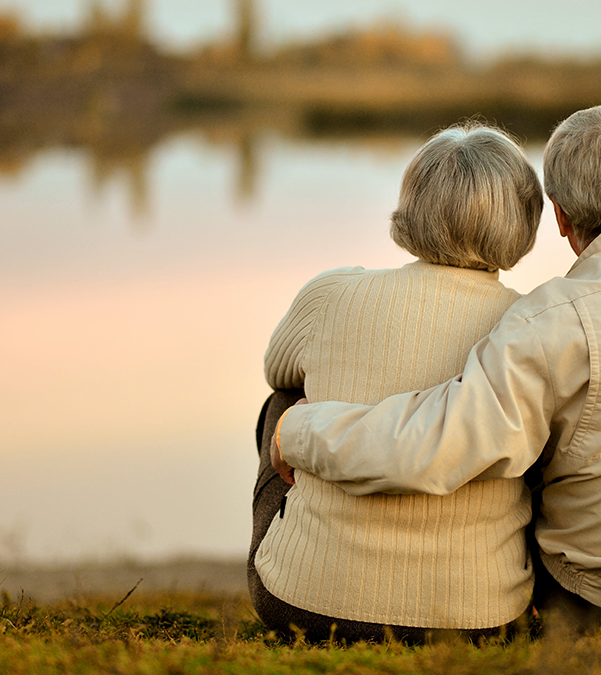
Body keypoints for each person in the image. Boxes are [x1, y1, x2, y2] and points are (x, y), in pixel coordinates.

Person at [273, 105, 601, 638]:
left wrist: (296, 429)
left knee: (533, 428)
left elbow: (440, 443)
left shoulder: (554, 318)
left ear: (558, 216)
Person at [250, 122, 544, 643]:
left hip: (304, 603)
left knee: (284, 403)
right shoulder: (532, 324)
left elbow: (278, 369)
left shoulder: (331, 293)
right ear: (524, 220)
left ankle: (309, 550)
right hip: (480, 616)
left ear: (411, 206)